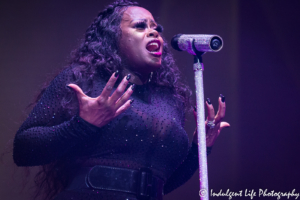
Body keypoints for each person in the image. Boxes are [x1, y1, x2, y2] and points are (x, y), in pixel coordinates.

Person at [13, 0, 229, 199]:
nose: (154, 32)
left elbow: (164, 183)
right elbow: (23, 150)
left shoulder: (170, 101)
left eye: (156, 28)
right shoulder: (82, 79)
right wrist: (81, 125)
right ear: (113, 38)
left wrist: (199, 148)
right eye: (140, 26)